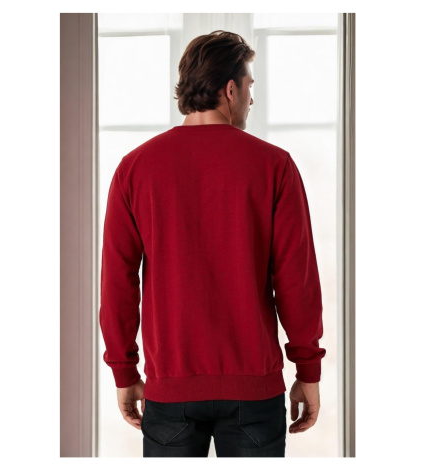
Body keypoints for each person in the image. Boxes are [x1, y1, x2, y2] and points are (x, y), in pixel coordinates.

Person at [99, 30, 326, 457]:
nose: (252, 100)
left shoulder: (134, 168)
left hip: (171, 388)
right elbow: (296, 280)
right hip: (254, 391)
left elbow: (117, 282)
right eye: (250, 87)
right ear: (231, 89)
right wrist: (308, 369)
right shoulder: (274, 165)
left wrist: (124, 371)